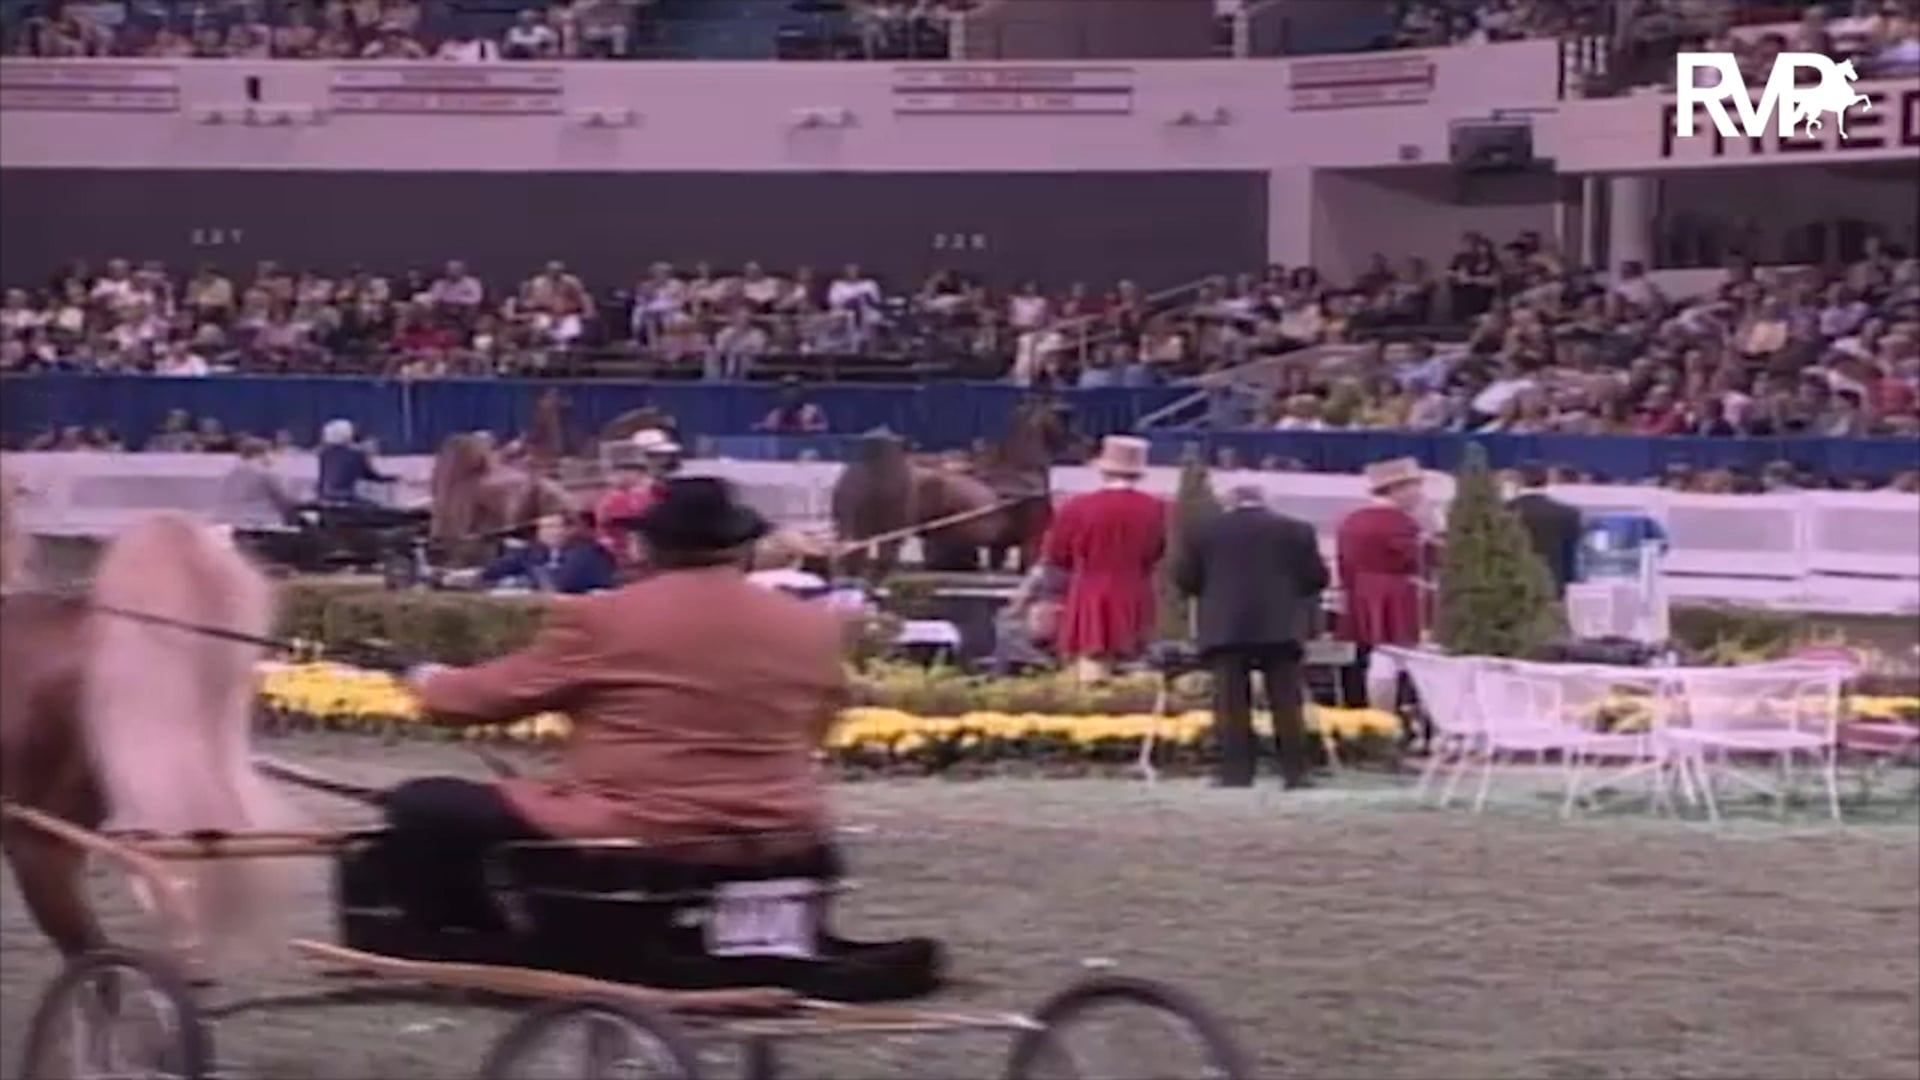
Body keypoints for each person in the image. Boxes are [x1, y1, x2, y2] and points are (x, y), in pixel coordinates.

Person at [390, 477, 849, 933]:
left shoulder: (602, 618)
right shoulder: (811, 626)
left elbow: (477, 700)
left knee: (424, 803)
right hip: (785, 833)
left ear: (644, 547)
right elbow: (819, 723)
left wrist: (427, 679)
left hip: (644, 833)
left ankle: (472, 941)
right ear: (744, 548)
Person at [1176, 485, 1330, 789]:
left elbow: (1186, 579)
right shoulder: (1297, 530)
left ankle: (1236, 773)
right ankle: (1295, 772)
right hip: (1280, 627)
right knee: (1286, 702)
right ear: (1264, 501)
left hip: (1226, 628)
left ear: (1229, 502)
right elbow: (1317, 578)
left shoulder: (1203, 531)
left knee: (1231, 703)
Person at [1042, 435, 1166, 682]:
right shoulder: (1157, 508)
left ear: (1104, 471)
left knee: (1091, 657)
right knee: (1135, 660)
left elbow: (1056, 553)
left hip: (1090, 588)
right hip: (1135, 588)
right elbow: (1159, 551)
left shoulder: (1078, 506)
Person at [1334, 457, 1436, 735]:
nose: (1420, 494)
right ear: (1397, 490)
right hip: (1401, 596)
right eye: (1415, 487)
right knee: (1418, 661)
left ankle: (1380, 726)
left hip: (1363, 594)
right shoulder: (1400, 523)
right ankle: (1417, 726)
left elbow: (1343, 564)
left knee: (1382, 658)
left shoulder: (1351, 520)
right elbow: (1426, 560)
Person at [474, 512, 617, 595]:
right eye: (542, 528)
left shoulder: (586, 551)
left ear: (568, 530)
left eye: (552, 527)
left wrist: (523, 579)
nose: (546, 532)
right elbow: (494, 570)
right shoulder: (535, 550)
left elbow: (559, 585)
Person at [593, 428, 679, 555]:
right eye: (655, 456)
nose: (663, 461)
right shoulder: (614, 499)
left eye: (664, 456)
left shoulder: (663, 488)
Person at [1508, 462, 1581, 598]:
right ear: (1547, 480)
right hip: (1553, 587)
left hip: (1512, 587)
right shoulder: (1568, 513)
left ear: (1519, 481)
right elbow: (1571, 557)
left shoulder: (1503, 511)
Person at [215, 437, 300, 529]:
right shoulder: (267, 473)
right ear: (262, 453)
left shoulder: (231, 475)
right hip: (264, 523)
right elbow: (285, 500)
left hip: (235, 523)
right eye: (271, 452)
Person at [315, 419, 395, 504]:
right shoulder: (356, 454)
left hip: (325, 495)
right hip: (348, 496)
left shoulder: (324, 454)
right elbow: (368, 475)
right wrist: (389, 479)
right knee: (377, 500)